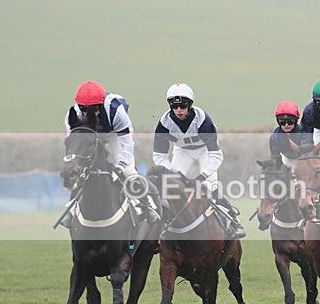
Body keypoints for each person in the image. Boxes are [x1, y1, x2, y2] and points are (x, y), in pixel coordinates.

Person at [152, 82, 246, 239]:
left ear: (190, 104)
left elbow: (216, 155)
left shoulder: (203, 121)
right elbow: (159, 156)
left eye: (182, 106)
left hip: (205, 151)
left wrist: (202, 177)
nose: (179, 111)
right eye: (174, 107)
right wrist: (172, 173)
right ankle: (161, 229)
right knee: (170, 187)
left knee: (211, 187)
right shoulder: (164, 123)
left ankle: (235, 222)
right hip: (182, 152)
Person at [61, 80, 160, 227]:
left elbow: (126, 143)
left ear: (100, 105)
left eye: (94, 108)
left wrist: (119, 166)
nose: (89, 113)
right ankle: (71, 209)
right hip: (90, 137)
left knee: (127, 170)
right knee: (83, 172)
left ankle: (147, 205)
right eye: (84, 109)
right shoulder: (73, 116)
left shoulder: (116, 111)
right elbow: (75, 145)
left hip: (114, 134)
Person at [269, 100, 304, 169]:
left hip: (304, 159)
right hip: (286, 159)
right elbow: (275, 158)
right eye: (282, 122)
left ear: (295, 121)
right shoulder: (275, 137)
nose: (286, 125)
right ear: (278, 122)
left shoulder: (303, 132)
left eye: (290, 122)